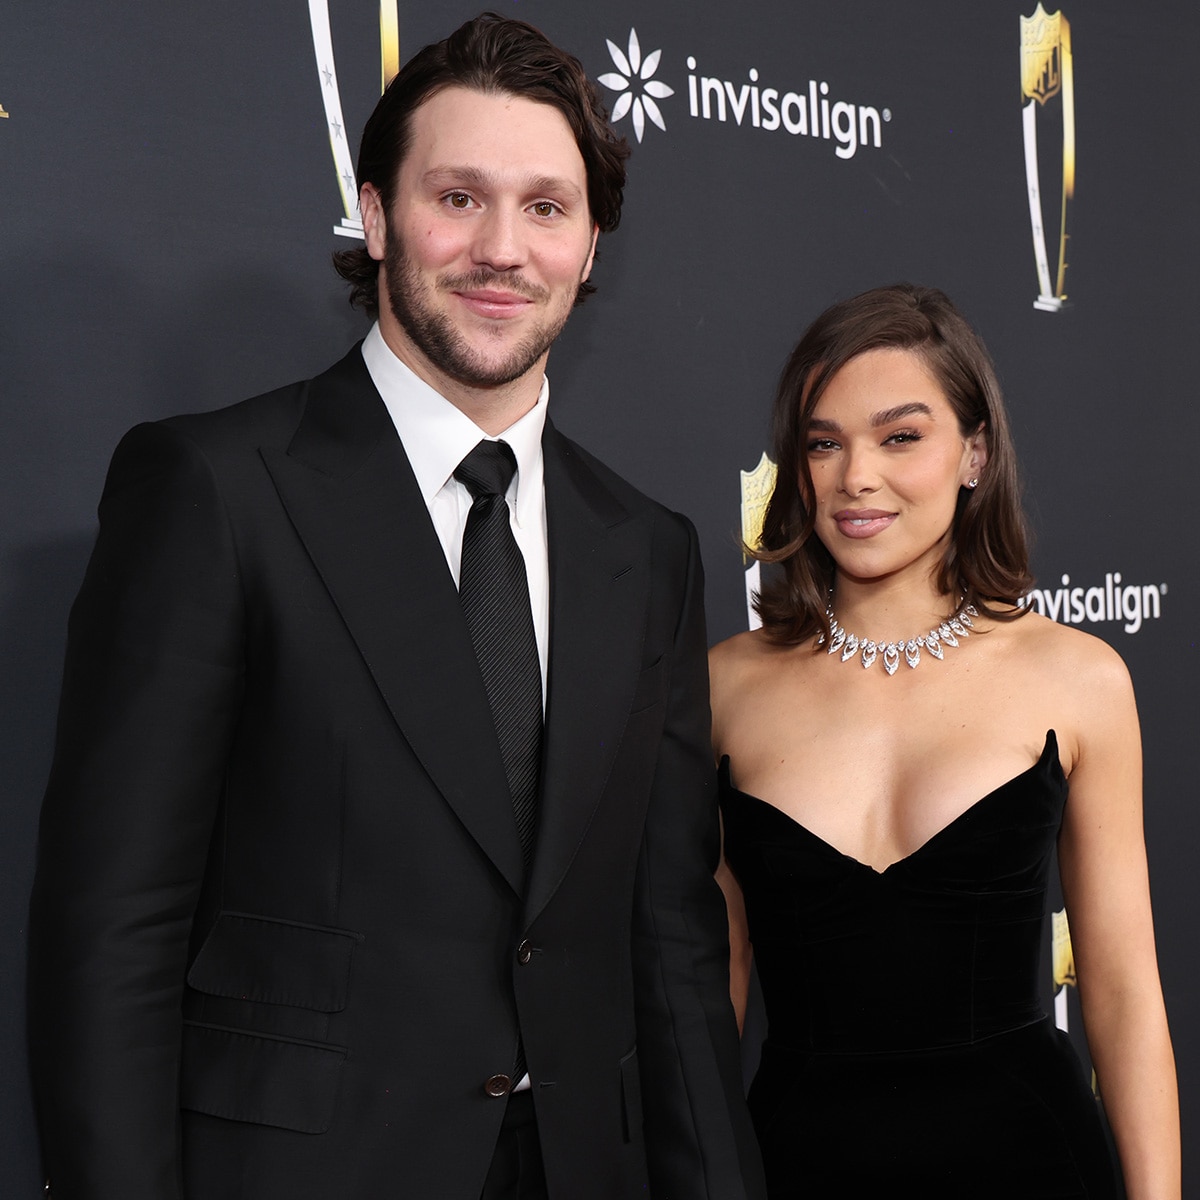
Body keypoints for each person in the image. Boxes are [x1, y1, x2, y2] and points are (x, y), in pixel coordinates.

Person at [28, 14, 764, 1200]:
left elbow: (672, 947)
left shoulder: (649, 549)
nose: (501, 249)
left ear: (590, 247)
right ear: (376, 218)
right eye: (457, 198)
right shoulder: (217, 490)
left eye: (546, 207)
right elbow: (114, 927)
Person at [710, 284, 1179, 1198]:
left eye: (899, 437)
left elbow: (1123, 992)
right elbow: (712, 988)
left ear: (975, 453)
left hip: (1034, 1166)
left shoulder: (1079, 679)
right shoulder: (722, 687)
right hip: (795, 1167)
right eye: (823, 443)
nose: (856, 477)